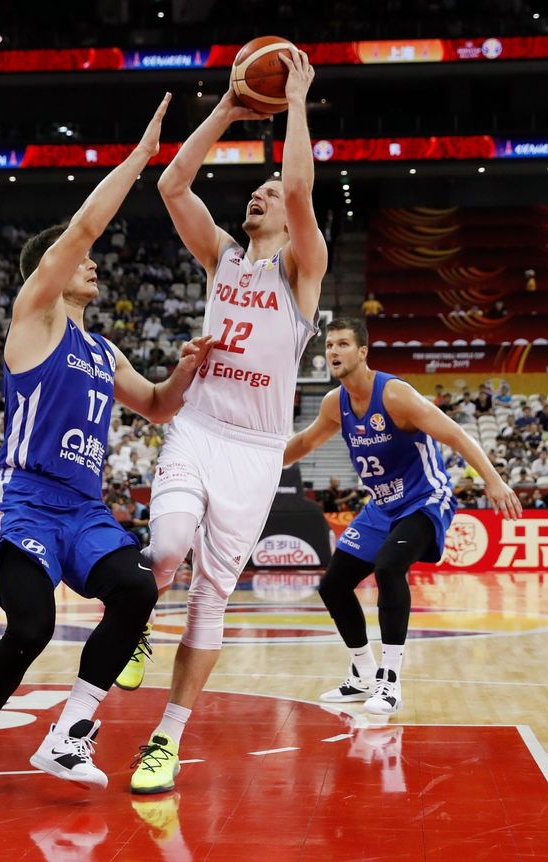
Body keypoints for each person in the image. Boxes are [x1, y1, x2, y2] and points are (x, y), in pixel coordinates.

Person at [0, 93, 213, 804]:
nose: (94, 265)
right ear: (54, 271)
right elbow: (84, 226)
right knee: (32, 624)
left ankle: (70, 732)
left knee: (136, 589)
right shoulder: (34, 318)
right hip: (26, 499)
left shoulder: (101, 347)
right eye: (81, 260)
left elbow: (155, 406)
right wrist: (140, 158)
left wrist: (189, 365)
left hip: (84, 509)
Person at [123, 50, 326, 794]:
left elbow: (302, 186)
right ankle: (141, 617)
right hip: (201, 427)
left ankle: (166, 741)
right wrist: (228, 111)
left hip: (256, 451)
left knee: (212, 596)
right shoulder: (222, 258)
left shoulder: (302, 271)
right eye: (259, 190)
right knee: (168, 544)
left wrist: (296, 101)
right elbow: (174, 183)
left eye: (271, 192)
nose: (263, 195)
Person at [284, 318, 521, 715]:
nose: (333, 352)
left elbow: (457, 436)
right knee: (333, 585)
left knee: (390, 567)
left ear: (362, 352)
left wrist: (493, 481)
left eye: (343, 344)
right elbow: (306, 442)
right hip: (382, 506)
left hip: (426, 499)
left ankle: (390, 681)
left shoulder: (395, 394)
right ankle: (362, 674)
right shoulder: (334, 403)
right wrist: (259, 470)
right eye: (329, 346)